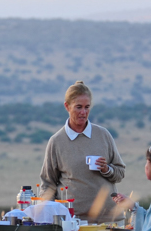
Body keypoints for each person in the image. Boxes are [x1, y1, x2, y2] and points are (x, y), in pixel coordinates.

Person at [40, 80, 126, 223]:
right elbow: (48, 184)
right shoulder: (56, 141)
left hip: (109, 219)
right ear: (67, 106)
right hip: (73, 221)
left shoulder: (103, 135)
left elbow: (120, 173)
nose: (83, 112)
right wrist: (49, 217)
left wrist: (107, 169)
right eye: (78, 107)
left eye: (87, 107)